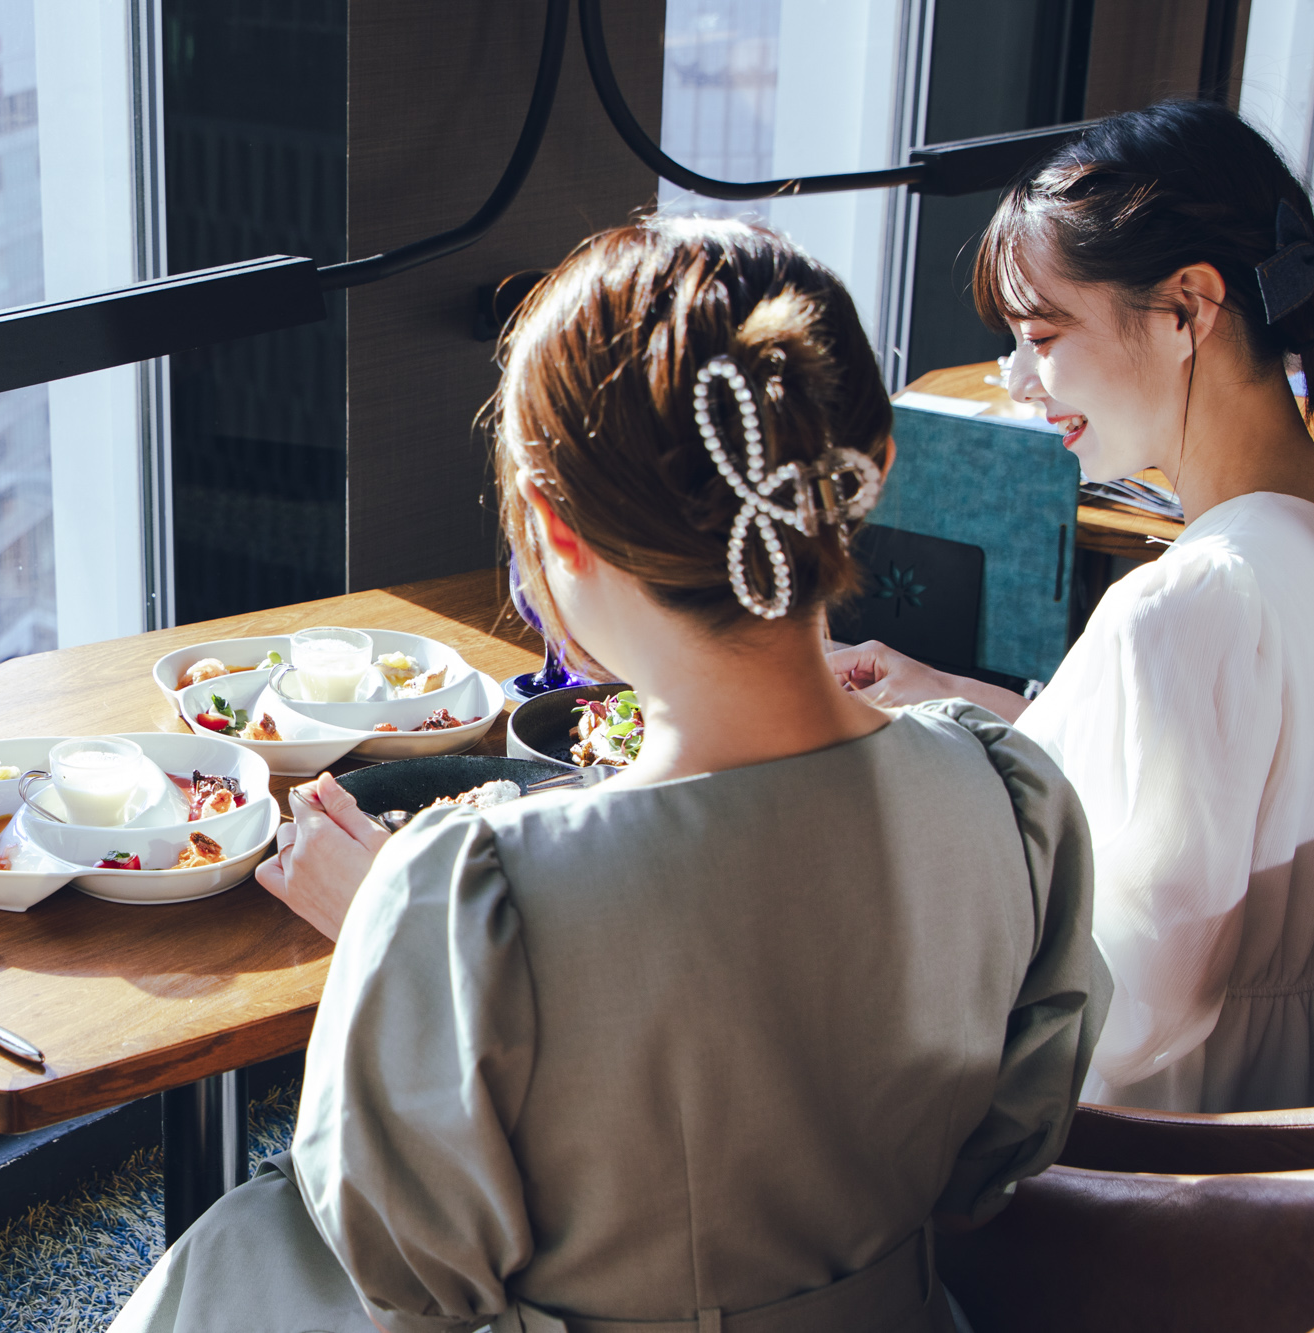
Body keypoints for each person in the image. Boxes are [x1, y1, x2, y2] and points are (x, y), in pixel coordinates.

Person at [109, 217, 1108, 1333]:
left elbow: (411, 1271)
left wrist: (403, 945)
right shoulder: (1006, 795)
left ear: (555, 528)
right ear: (860, 475)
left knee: (234, 1253)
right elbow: (994, 1159)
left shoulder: (476, 890)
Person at [828, 100, 1314, 1113]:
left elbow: (1136, 1004)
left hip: (1194, 1145)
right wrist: (954, 700)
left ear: (1187, 305)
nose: (1016, 379)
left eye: (1042, 334)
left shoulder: (1181, 599)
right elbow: (1211, 780)